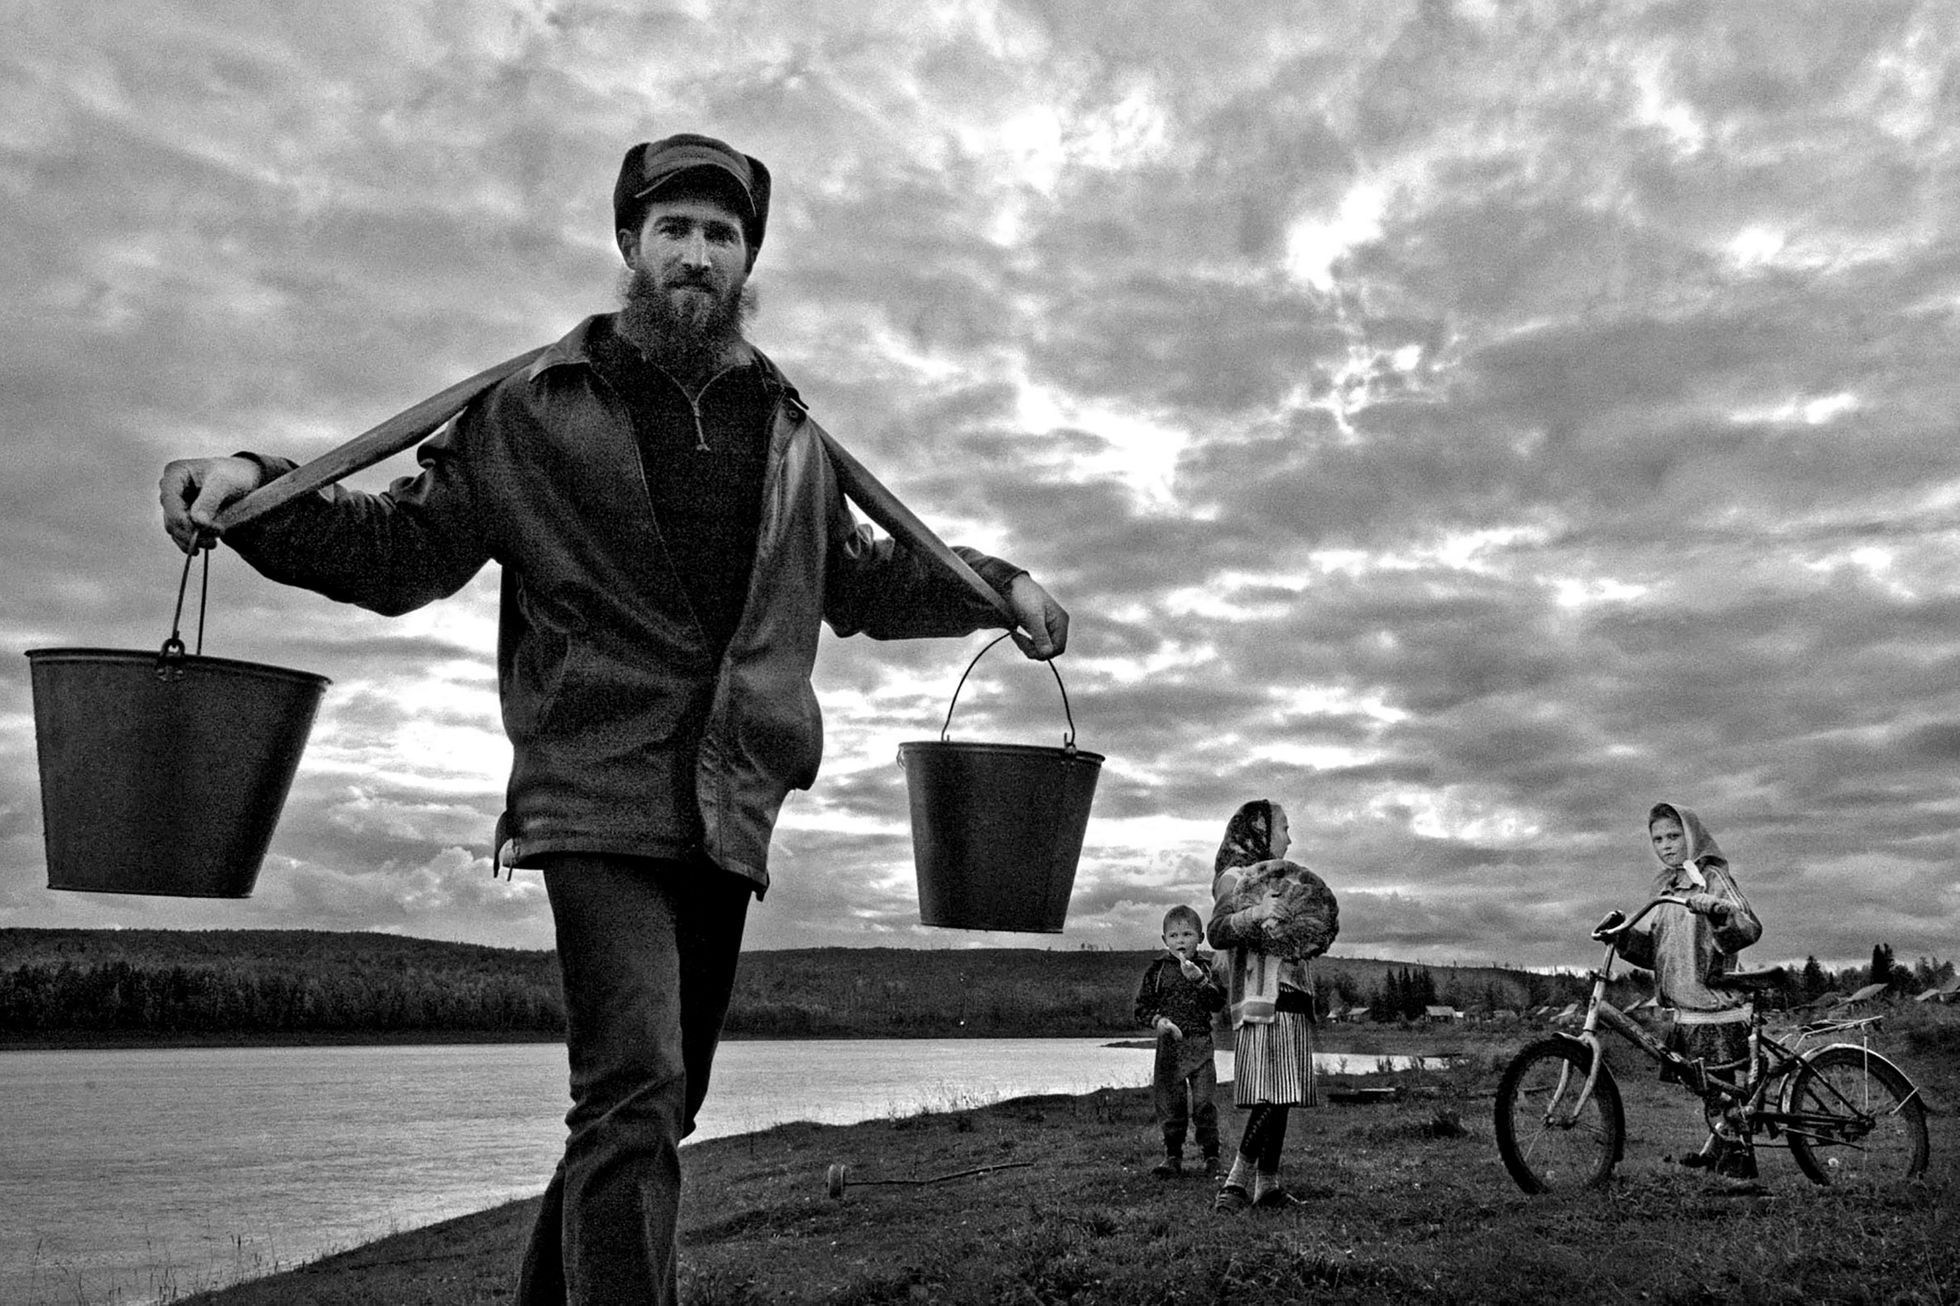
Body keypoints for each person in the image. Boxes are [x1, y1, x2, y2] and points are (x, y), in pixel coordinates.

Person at [158, 132, 1070, 1305]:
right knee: (633, 1090)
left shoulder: (790, 434)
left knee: (653, 1106)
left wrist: (999, 585)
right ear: (629, 243)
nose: (697, 254)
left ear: (748, 261)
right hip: (592, 785)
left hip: (730, 802)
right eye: (674, 229)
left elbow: (864, 577)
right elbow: (405, 547)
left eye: (722, 235)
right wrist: (260, 488)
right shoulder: (533, 408)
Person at [1614, 801, 1763, 1183]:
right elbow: (1661, 952)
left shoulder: (1712, 877)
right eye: (1658, 839)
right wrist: (1623, 938)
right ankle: (1718, 1152)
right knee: (1709, 1091)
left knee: (1725, 1092)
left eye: (1674, 835)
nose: (1666, 845)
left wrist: (1717, 911)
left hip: (1715, 1008)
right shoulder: (1665, 886)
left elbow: (1747, 927)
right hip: (1686, 1011)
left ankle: (1739, 1169)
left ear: (1693, 835)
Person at [1205, 799, 1338, 1213]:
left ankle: (1268, 1185)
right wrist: (1257, 912)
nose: (1289, 838)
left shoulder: (1285, 879)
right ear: (1259, 831)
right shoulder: (1235, 878)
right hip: (1261, 997)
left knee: (1284, 1092)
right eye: (1284, 828)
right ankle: (1235, 1183)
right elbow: (1216, 931)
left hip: (1293, 993)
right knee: (1271, 1094)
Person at [1133, 904, 1224, 1178]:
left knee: (1204, 1103)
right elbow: (1141, 1008)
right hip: (1170, 1049)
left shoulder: (1208, 968)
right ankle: (1172, 1156)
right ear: (1165, 940)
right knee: (1171, 1104)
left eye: (1187, 934)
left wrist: (1199, 981)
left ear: (1200, 938)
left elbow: (1218, 1002)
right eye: (1173, 936)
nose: (1180, 941)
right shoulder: (1158, 970)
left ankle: (1211, 1156)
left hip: (1200, 1044)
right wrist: (1159, 1022)